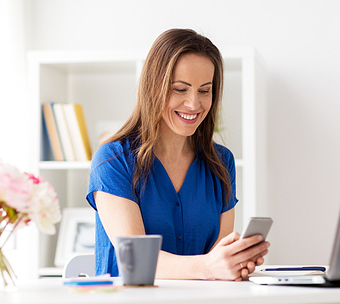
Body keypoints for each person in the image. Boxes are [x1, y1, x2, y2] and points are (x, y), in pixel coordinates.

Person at [86, 28, 270, 281]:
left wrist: (234, 262)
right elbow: (136, 260)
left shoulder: (221, 163)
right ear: (154, 87)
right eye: (180, 89)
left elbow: (217, 259)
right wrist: (209, 267)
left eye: (205, 90)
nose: (194, 104)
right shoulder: (113, 160)